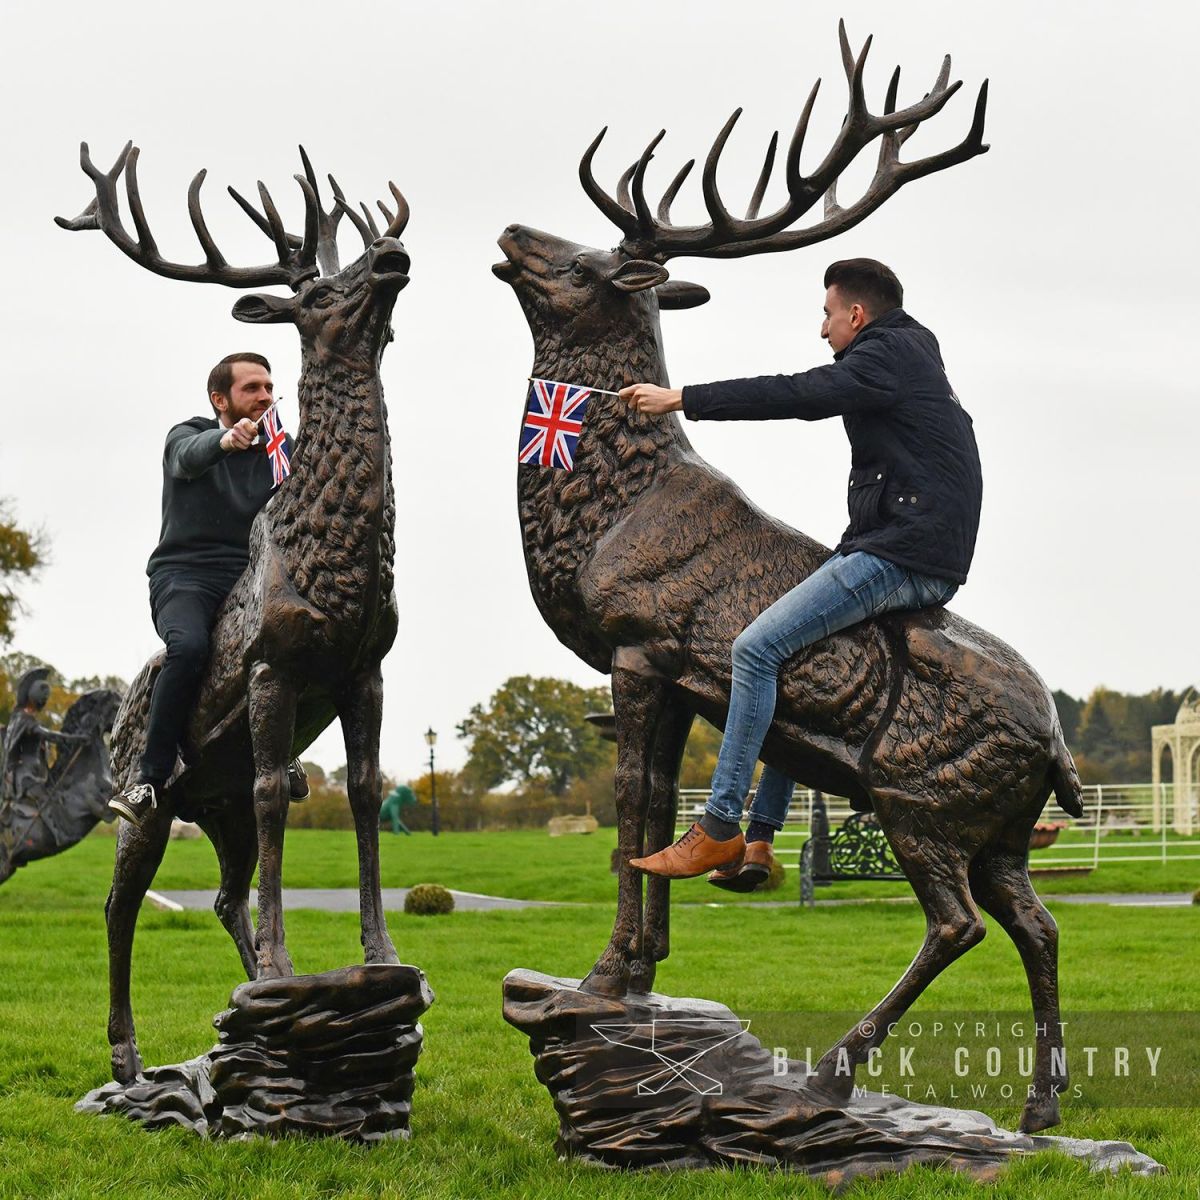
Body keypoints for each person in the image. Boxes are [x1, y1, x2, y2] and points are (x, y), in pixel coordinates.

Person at [618, 259, 982, 890]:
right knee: (790, 658)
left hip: (905, 554)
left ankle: (719, 827)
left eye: (827, 314)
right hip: (906, 543)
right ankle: (760, 839)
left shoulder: (884, 356)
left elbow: (798, 394)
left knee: (754, 649)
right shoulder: (910, 352)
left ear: (857, 315)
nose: (823, 329)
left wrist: (683, 399)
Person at [108, 353, 308, 824]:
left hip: (250, 577)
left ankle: (288, 749)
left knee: (300, 641)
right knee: (190, 647)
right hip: (184, 576)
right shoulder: (188, 435)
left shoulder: (280, 448)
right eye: (251, 388)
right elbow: (188, 457)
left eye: (268, 386)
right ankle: (148, 781)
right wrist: (225, 441)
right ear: (220, 400)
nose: (264, 396)